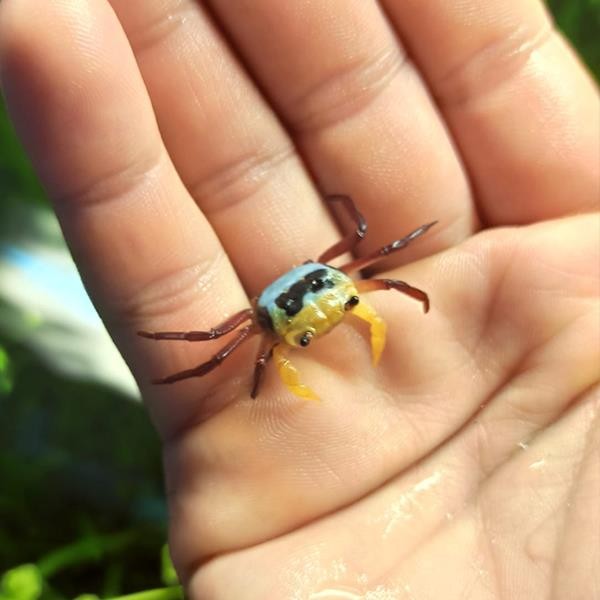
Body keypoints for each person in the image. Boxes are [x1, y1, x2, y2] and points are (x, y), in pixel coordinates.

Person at [1, 0, 598, 597]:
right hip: (279, 302)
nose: (321, 333)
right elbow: (218, 347)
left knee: (378, 256)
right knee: (230, 342)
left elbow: (370, 247)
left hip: (316, 283)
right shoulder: (261, 335)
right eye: (307, 337)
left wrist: (395, 290)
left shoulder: (344, 282)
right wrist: (253, 379)